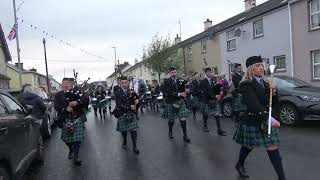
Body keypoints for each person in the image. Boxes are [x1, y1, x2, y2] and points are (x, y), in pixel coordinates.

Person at [234, 56, 286, 180]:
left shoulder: (266, 82)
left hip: (267, 118)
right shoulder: (245, 84)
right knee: (248, 146)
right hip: (253, 120)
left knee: (273, 147)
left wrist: (274, 91)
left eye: (262, 65)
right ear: (251, 68)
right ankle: (239, 164)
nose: (262, 67)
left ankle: (282, 178)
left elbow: (272, 102)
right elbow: (253, 104)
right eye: (258, 65)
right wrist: (269, 119)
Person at [54, 78, 86, 166]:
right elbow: (56, 106)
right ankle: (71, 149)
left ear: (70, 84)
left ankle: (76, 156)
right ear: (61, 85)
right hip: (65, 119)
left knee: (77, 139)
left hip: (76, 118)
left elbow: (85, 100)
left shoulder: (76, 92)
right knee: (67, 140)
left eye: (67, 83)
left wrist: (77, 102)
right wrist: (65, 109)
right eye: (64, 83)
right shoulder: (58, 95)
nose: (66, 85)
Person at [161, 66, 190, 143]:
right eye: (172, 72)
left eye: (175, 72)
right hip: (171, 102)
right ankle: (170, 131)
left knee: (182, 118)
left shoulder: (180, 80)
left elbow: (184, 88)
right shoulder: (166, 81)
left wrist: (186, 90)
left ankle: (185, 135)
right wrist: (180, 93)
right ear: (169, 73)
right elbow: (168, 92)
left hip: (180, 102)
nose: (174, 74)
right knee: (171, 119)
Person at [114, 76, 140, 154]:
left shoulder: (131, 91)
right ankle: (125, 140)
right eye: (123, 83)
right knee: (124, 131)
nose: (124, 84)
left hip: (131, 113)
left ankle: (135, 146)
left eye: (126, 82)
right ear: (120, 83)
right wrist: (129, 106)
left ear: (128, 83)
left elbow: (137, 100)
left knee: (133, 130)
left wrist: (137, 102)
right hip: (122, 113)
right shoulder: (117, 92)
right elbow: (118, 104)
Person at [200, 67, 226, 136]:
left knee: (217, 114)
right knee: (205, 114)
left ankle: (219, 129)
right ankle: (205, 126)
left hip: (214, 100)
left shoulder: (214, 80)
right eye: (209, 72)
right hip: (207, 100)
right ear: (205, 73)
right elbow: (206, 91)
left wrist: (220, 92)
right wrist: (215, 96)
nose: (210, 73)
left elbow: (218, 87)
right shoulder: (203, 81)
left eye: (211, 72)